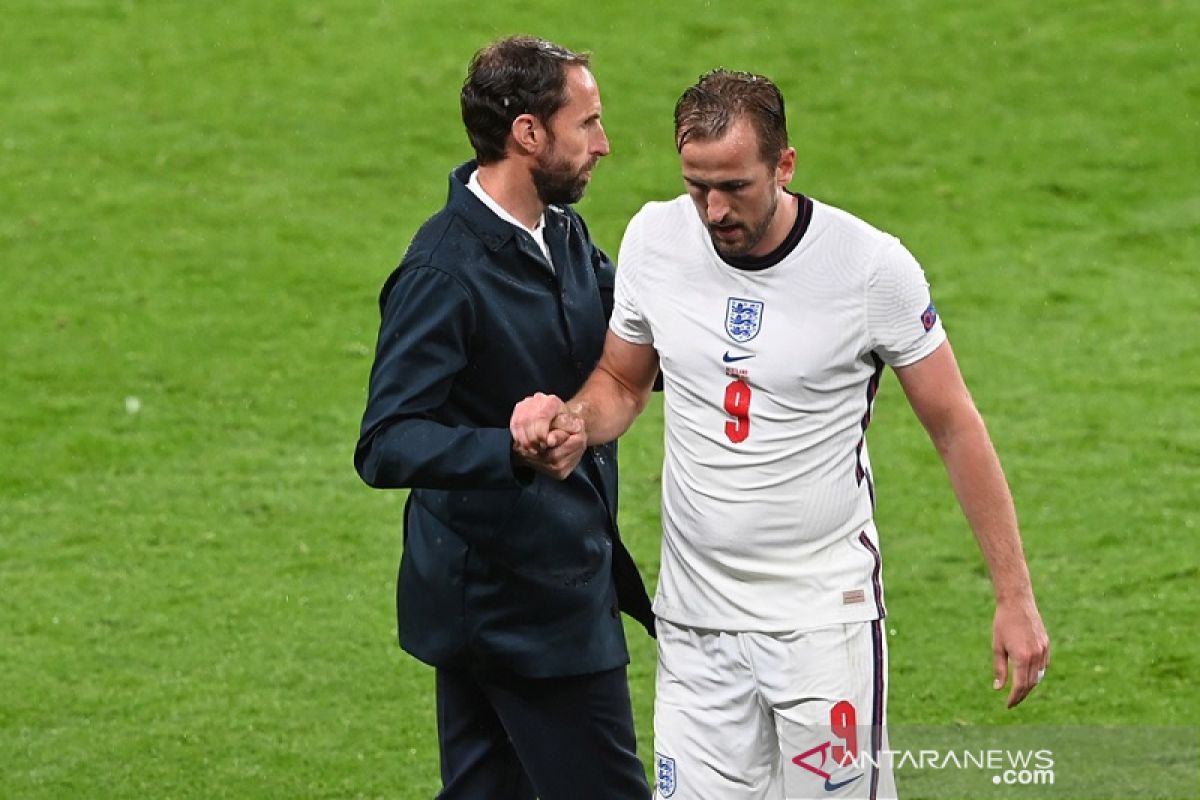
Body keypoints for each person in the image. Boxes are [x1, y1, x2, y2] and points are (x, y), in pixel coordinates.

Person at [510, 69, 1050, 799]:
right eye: (698, 185)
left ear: (784, 165)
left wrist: (1013, 596)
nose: (714, 210)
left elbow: (955, 426)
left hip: (822, 627)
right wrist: (575, 422)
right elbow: (624, 381)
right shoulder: (655, 239)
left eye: (735, 185)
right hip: (695, 626)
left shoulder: (869, 270)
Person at [354, 35, 655, 800]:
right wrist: (509, 450)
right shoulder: (443, 272)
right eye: (586, 124)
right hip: (519, 608)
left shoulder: (564, 235)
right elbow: (385, 442)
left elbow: (632, 346)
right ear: (528, 133)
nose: (604, 144)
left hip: (528, 585)